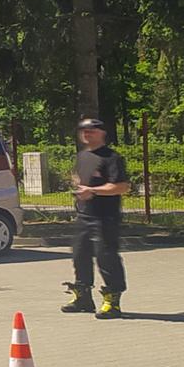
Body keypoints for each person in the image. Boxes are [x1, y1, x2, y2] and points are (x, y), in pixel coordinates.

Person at [63, 117, 131, 319]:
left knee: (106, 256)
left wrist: (93, 190)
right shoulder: (83, 156)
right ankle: (83, 297)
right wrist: (77, 184)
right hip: (84, 215)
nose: (86, 133)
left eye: (91, 130)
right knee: (79, 254)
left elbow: (122, 186)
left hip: (105, 217)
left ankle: (113, 301)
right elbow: (79, 176)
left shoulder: (111, 158)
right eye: (83, 130)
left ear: (102, 133)